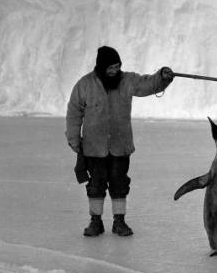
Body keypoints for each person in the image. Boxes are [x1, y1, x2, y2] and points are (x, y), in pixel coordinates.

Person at [66, 46, 174, 237]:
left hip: (120, 146)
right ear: (101, 67)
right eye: (111, 68)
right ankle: (96, 222)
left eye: (117, 66)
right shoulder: (85, 85)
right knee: (95, 186)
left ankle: (119, 222)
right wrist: (74, 139)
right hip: (94, 148)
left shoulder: (127, 81)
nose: (115, 71)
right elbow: (74, 113)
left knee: (119, 184)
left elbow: (147, 83)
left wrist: (162, 77)